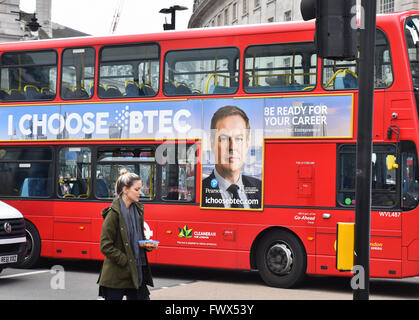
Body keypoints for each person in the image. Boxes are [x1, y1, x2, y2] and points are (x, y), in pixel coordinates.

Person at [98, 172, 155, 300]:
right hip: (116, 275)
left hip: (135, 272)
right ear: (125, 189)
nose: (140, 192)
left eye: (141, 189)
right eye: (137, 189)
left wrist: (146, 244)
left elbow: (137, 238)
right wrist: (126, 260)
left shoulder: (138, 210)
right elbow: (105, 246)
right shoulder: (113, 214)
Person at [201, 105, 262, 209]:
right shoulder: (200, 190)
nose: (232, 147)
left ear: (247, 144)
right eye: (224, 138)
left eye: (238, 139)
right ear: (212, 144)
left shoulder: (260, 187)